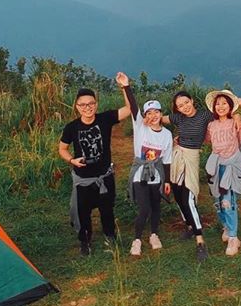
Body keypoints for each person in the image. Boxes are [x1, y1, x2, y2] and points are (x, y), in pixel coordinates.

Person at [58, 72, 135, 256]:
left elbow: (129, 108)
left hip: (104, 176)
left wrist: (125, 86)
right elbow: (62, 149)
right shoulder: (71, 127)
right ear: (77, 107)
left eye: (91, 104)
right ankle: (85, 241)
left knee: (107, 209)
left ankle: (110, 236)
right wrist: (71, 160)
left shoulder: (105, 119)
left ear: (96, 104)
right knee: (83, 212)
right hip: (83, 179)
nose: (87, 107)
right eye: (83, 105)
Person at [203, 89, 241, 256]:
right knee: (218, 202)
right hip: (216, 167)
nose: (221, 106)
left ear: (230, 106)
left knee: (228, 201)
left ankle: (234, 238)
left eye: (225, 103)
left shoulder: (237, 122)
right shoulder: (211, 125)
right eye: (218, 103)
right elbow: (203, 139)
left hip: (231, 167)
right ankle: (227, 227)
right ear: (214, 107)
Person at [163, 90, 213, 262]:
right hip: (177, 155)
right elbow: (159, 119)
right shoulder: (178, 118)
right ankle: (190, 226)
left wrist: (236, 118)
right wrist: (150, 117)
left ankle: (200, 242)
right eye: (180, 106)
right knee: (177, 195)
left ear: (192, 100)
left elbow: (224, 117)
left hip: (191, 157)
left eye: (186, 102)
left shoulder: (205, 115)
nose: (184, 107)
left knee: (189, 197)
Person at [123, 85, 173, 257]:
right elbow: (133, 105)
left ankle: (154, 234)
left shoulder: (167, 134)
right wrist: (126, 86)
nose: (153, 116)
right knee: (144, 209)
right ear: (144, 116)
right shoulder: (140, 127)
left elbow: (167, 160)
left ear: (161, 113)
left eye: (156, 112)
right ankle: (136, 239)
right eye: (149, 113)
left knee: (156, 206)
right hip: (140, 175)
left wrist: (167, 181)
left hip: (157, 175)